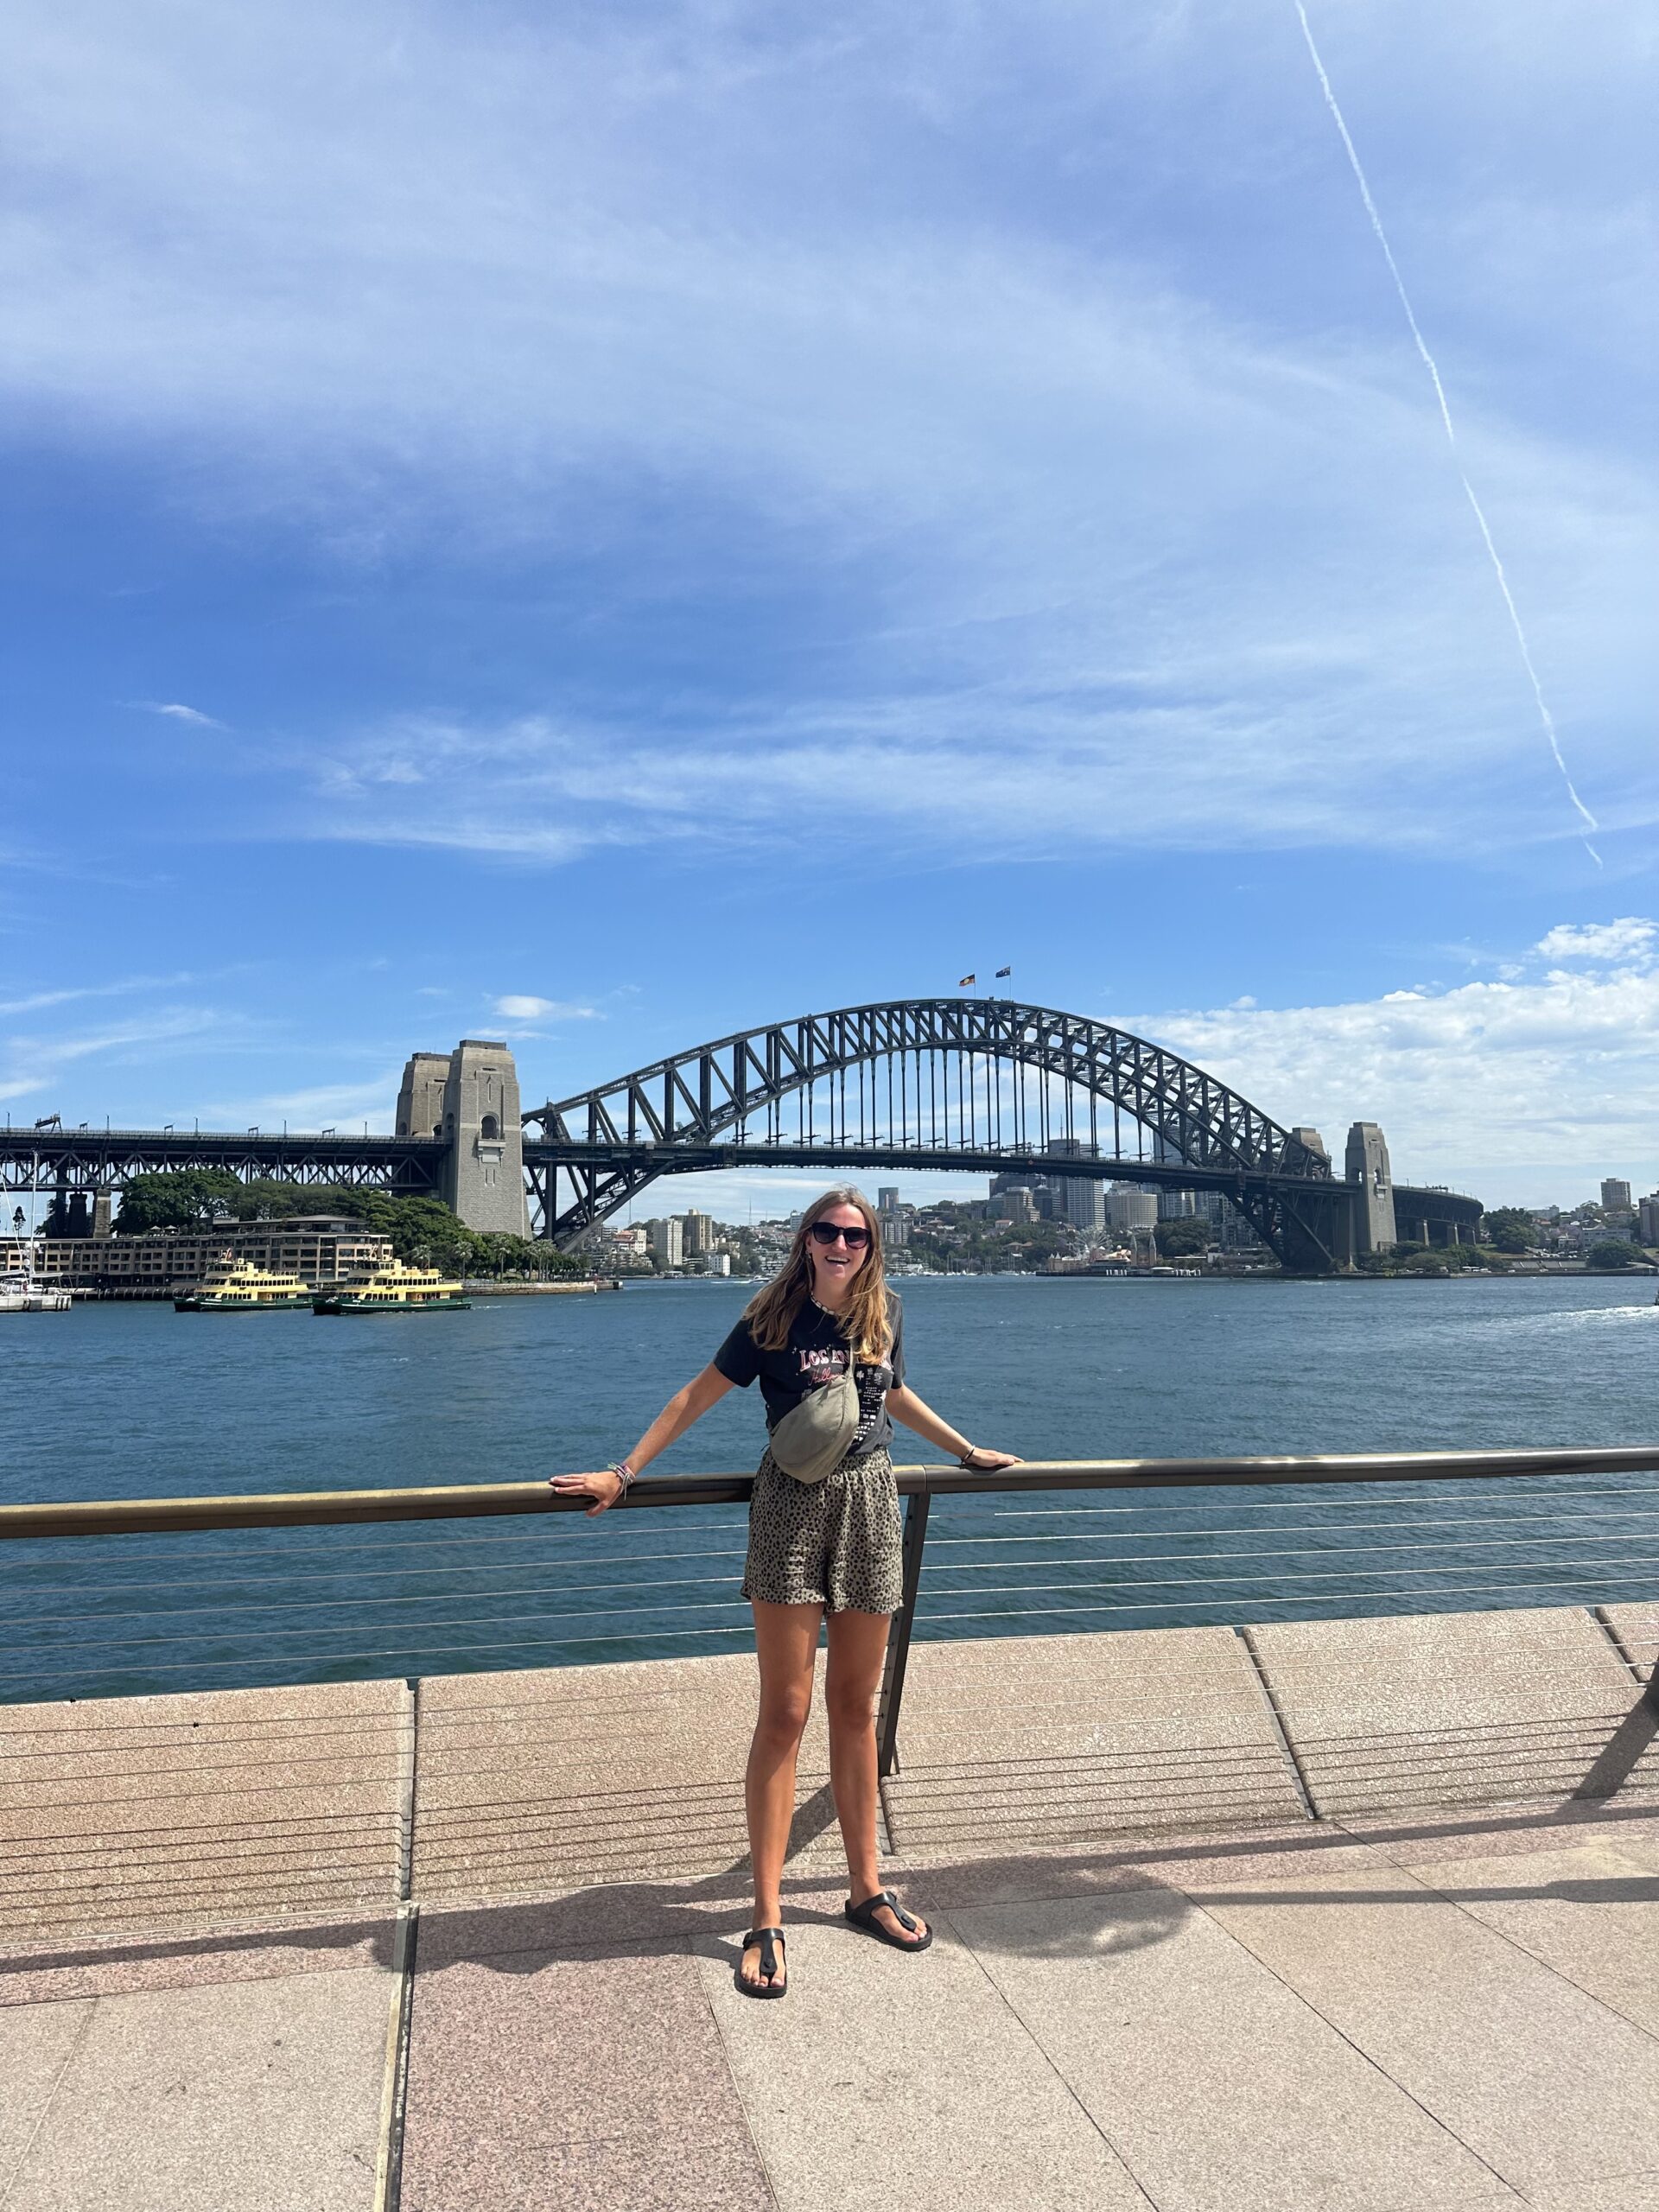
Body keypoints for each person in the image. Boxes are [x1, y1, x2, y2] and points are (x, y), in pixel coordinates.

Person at [550, 1184, 1020, 1999]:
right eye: (828, 1232)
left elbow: (892, 1397)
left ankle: (866, 1889)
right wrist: (623, 1474)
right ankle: (764, 1914)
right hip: (792, 1508)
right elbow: (695, 1395)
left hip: (871, 1501)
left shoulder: (886, 1313)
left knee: (855, 1707)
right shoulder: (768, 1317)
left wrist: (967, 1448)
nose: (843, 1246)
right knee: (786, 1711)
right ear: (806, 1240)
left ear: (872, 1247)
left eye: (857, 1236)